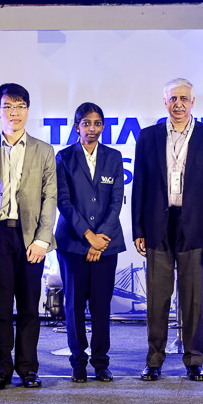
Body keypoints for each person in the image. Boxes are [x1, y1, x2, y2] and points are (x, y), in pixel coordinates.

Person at [131, 78, 203, 381]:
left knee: (193, 298)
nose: (178, 104)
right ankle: (154, 360)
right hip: (158, 224)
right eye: (172, 99)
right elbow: (140, 185)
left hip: (194, 224)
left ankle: (194, 360)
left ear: (193, 102)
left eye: (184, 98)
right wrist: (138, 228)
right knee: (157, 298)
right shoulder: (148, 137)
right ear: (165, 102)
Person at [0, 83, 57, 390]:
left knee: (28, 308)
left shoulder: (44, 150)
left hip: (29, 238)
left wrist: (42, 240)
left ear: (28, 110)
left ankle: (28, 368)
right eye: (9, 107)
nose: (15, 113)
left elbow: (51, 198)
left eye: (21, 106)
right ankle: (0, 369)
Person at [55, 102, 126, 383]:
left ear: (103, 126)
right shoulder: (63, 158)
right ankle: (78, 363)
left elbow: (116, 200)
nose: (92, 129)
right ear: (77, 127)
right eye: (86, 123)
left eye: (97, 123)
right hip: (73, 244)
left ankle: (100, 362)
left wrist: (101, 239)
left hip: (107, 244)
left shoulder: (114, 156)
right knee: (73, 306)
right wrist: (88, 237)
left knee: (101, 306)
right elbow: (64, 202)